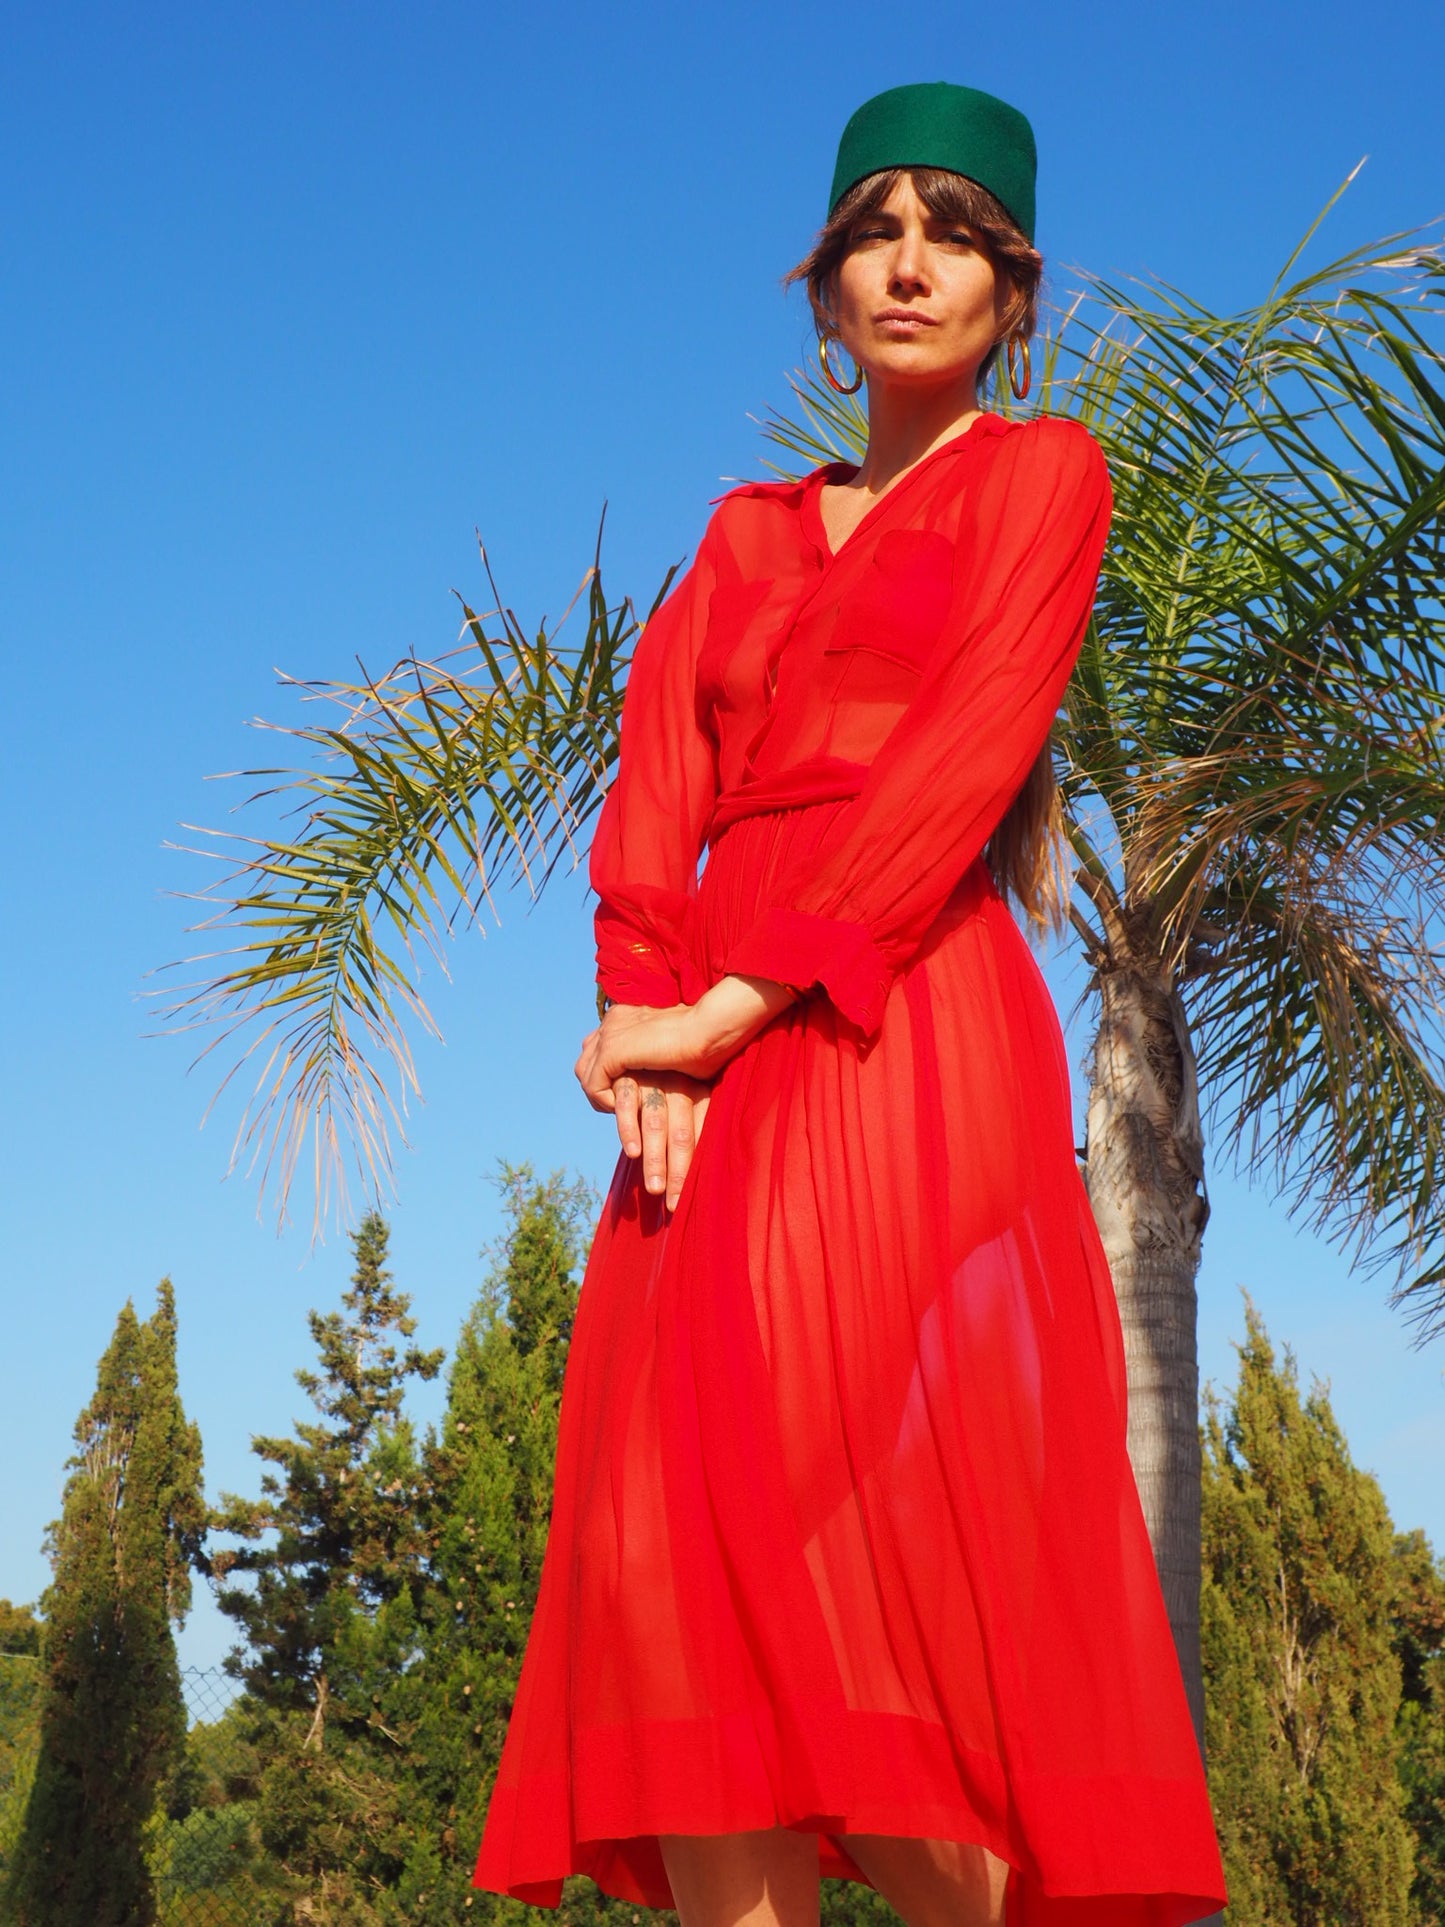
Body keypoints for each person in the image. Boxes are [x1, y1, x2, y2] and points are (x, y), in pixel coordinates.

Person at [472, 80, 1228, 1927]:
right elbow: (650, 802)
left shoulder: (1042, 482)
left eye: (952, 232)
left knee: (881, 1549)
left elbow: (951, 781)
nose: (908, 263)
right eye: (873, 231)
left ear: (1010, 297)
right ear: (824, 295)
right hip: (702, 1075)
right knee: (681, 1563)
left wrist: (717, 1014)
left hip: (898, 1022)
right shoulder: (736, 534)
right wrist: (640, 1025)